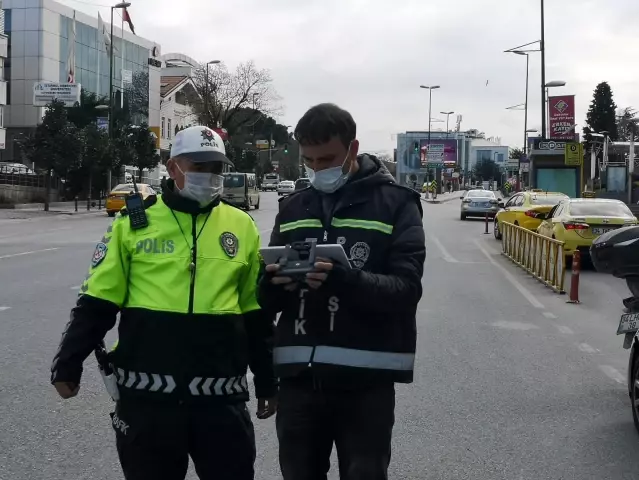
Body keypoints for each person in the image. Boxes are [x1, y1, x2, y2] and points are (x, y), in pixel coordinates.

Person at [50, 126, 277, 480]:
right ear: (173, 168)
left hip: (221, 402)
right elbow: (97, 301)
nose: (210, 176)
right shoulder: (133, 223)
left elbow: (255, 312)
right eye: (199, 167)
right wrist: (68, 364)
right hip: (147, 403)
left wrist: (267, 380)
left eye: (216, 168)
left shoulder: (241, 225)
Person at [258, 103, 426, 479]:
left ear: (353, 148)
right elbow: (266, 300)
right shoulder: (292, 208)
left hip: (366, 386)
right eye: (309, 161)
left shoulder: (397, 204)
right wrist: (271, 285)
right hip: (300, 383)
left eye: (327, 159)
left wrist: (347, 280)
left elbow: (406, 288)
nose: (317, 169)